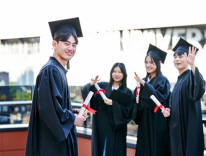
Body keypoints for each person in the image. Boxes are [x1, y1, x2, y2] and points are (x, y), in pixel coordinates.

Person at [25, 17, 87, 156]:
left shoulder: (58, 70)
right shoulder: (51, 71)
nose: (71, 48)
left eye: (74, 44)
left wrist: (72, 113)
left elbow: (56, 104)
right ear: (54, 43)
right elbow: (49, 109)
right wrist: (72, 119)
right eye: (66, 43)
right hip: (51, 144)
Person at [163, 37, 206, 156]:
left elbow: (197, 89)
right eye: (175, 56)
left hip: (188, 131)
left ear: (188, 58)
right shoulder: (178, 81)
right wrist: (170, 112)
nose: (177, 59)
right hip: (177, 133)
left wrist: (193, 66)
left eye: (181, 56)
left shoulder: (190, 77)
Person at [81, 62, 134, 156]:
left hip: (116, 130)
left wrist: (113, 103)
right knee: (101, 150)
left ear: (124, 74)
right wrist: (92, 85)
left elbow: (128, 112)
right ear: (111, 73)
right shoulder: (102, 86)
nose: (117, 74)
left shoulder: (127, 92)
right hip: (101, 126)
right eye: (114, 71)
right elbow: (86, 91)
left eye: (120, 72)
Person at [133, 44, 171, 156]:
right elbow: (136, 98)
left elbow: (159, 97)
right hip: (144, 123)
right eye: (146, 62)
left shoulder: (163, 81)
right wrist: (137, 99)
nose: (148, 65)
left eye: (152, 62)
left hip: (156, 123)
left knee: (156, 150)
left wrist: (144, 84)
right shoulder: (144, 80)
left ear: (159, 63)